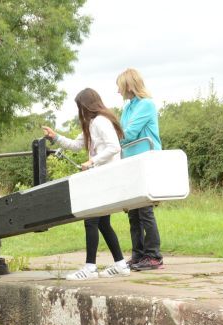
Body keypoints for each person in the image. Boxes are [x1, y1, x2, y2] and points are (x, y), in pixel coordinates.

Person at [43, 88, 129, 280]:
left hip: (105, 178)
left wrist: (92, 161)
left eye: (80, 107)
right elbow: (76, 145)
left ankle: (90, 268)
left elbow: (114, 147)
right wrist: (55, 137)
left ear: (86, 105)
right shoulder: (91, 124)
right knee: (103, 223)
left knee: (91, 219)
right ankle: (121, 264)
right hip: (101, 178)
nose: (79, 111)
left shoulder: (100, 122)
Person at [116, 68, 164, 271]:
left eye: (119, 86)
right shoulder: (127, 108)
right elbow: (121, 131)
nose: (118, 91)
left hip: (145, 161)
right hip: (131, 163)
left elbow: (129, 133)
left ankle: (153, 255)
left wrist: (111, 139)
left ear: (128, 85)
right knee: (133, 212)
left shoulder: (146, 105)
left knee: (145, 211)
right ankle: (138, 254)